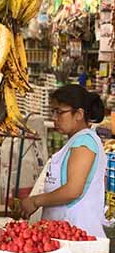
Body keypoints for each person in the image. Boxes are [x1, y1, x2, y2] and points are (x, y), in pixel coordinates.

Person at [20, 85, 107, 237]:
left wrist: (35, 201)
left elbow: (73, 190)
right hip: (65, 233)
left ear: (79, 114)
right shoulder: (76, 141)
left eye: (60, 112)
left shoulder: (84, 143)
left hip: (79, 233)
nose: (54, 118)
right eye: (53, 112)